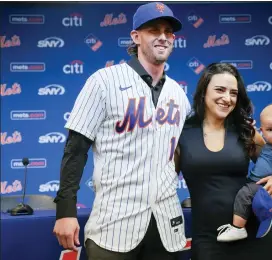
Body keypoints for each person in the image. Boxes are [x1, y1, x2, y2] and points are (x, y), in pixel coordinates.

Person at [53, 2, 191, 260]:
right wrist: (65, 211)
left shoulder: (179, 95)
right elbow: (76, 149)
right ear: (136, 37)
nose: (163, 36)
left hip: (166, 226)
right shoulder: (104, 82)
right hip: (114, 224)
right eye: (153, 30)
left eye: (168, 31)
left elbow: (185, 152)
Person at [174, 63, 272, 260]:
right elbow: (165, 182)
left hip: (253, 236)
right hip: (208, 239)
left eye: (233, 93)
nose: (227, 98)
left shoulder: (246, 131)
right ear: (204, 92)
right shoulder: (181, 132)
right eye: (220, 90)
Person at [217, 103, 272, 242]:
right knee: (248, 199)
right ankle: (263, 219)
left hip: (265, 186)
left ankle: (238, 229)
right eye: (270, 129)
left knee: (246, 195)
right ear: (262, 131)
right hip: (254, 182)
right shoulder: (267, 145)